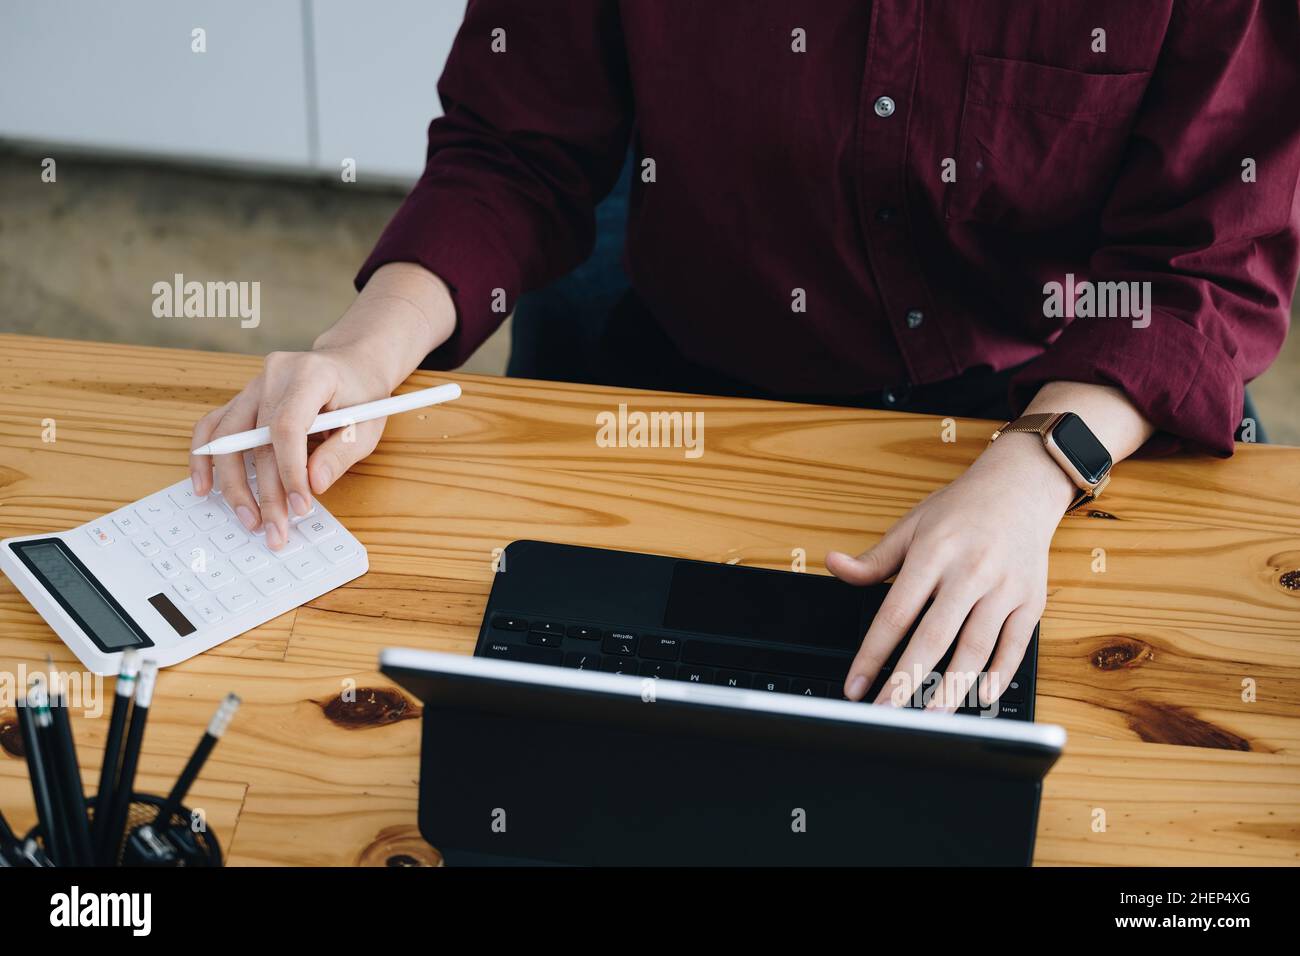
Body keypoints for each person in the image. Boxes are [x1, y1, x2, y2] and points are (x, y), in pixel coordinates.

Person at [190, 2, 1300, 711]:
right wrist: (363, 351)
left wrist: (1035, 467)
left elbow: (1207, 257)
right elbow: (514, 149)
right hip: (711, 391)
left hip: (1068, 412)